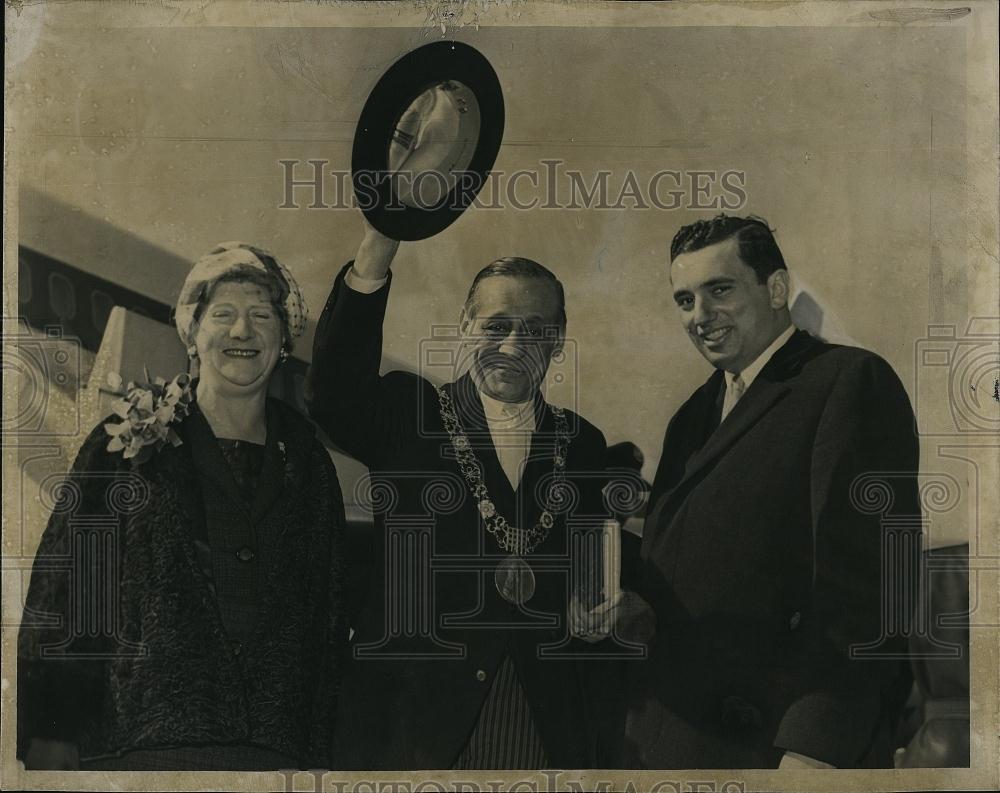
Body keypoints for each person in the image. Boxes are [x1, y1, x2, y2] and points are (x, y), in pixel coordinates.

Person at [17, 242, 348, 770]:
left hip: (275, 754)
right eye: (223, 314)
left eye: (262, 315)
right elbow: (69, 593)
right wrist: (51, 730)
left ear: (283, 338)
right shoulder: (118, 445)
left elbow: (330, 623)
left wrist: (318, 753)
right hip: (141, 746)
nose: (243, 331)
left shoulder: (311, 465)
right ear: (192, 332)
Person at [306, 223, 612, 769]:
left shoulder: (582, 443)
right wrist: (378, 250)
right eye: (496, 326)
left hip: (534, 722)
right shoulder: (410, 412)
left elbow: (587, 571)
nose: (514, 346)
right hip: (407, 726)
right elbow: (333, 391)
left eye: (536, 330)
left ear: (559, 339)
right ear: (466, 328)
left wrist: (586, 607)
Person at [623, 214, 920, 769]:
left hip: (778, 753)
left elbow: (871, 587)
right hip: (667, 747)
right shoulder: (690, 418)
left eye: (720, 290)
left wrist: (815, 743)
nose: (701, 317)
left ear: (777, 288)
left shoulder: (848, 381)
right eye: (684, 301)